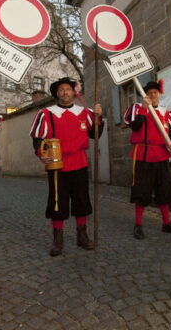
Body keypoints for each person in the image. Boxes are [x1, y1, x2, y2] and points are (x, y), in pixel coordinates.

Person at [30, 77, 104, 256]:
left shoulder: (85, 112)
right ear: (57, 93)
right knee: (57, 203)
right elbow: (38, 138)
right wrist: (41, 154)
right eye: (61, 89)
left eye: (68, 89)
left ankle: (82, 236)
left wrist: (98, 117)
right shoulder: (46, 113)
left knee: (81, 200)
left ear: (73, 92)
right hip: (57, 164)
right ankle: (58, 240)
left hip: (79, 162)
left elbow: (95, 135)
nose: (65, 92)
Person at [124, 80, 171, 240]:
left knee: (164, 190)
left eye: (155, 93)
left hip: (161, 155)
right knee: (142, 191)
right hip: (143, 155)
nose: (152, 95)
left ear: (159, 94)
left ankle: (166, 223)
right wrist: (144, 109)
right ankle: (138, 224)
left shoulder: (166, 113)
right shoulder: (136, 109)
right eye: (149, 93)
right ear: (145, 95)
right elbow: (135, 126)